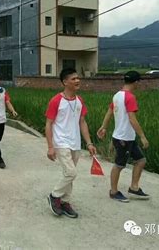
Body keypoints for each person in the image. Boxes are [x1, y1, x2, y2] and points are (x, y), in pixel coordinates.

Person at [45, 68, 96, 219]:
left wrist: (89, 143)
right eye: (73, 79)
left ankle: (65, 202)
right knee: (71, 172)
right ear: (65, 82)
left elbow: (82, 122)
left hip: (75, 143)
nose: (77, 81)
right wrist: (50, 146)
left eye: (78, 78)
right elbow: (48, 124)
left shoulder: (80, 100)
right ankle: (54, 196)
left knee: (69, 174)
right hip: (60, 142)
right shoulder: (56, 100)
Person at [97, 70, 150, 203]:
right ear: (136, 82)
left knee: (141, 160)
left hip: (127, 137)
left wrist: (103, 127)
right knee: (119, 165)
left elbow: (109, 112)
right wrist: (142, 136)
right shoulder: (130, 97)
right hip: (123, 138)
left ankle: (134, 187)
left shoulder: (117, 95)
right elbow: (132, 118)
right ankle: (114, 192)